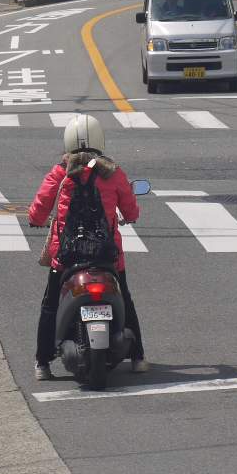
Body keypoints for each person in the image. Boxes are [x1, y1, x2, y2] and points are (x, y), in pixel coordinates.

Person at [26, 114, 146, 380]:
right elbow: (130, 209)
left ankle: (43, 363)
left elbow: (38, 209)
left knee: (50, 307)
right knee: (124, 298)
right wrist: (130, 215)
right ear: (100, 140)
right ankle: (137, 358)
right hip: (107, 255)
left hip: (68, 256)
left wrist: (35, 220)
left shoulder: (59, 173)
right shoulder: (113, 173)